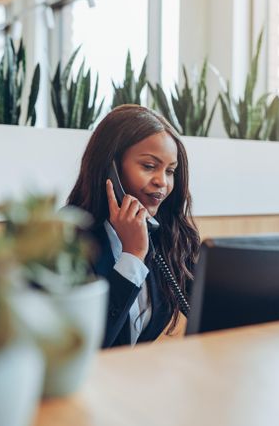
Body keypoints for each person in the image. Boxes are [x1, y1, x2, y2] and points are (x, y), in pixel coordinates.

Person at [67, 105, 200, 348]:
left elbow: (210, 310)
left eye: (170, 171)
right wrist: (133, 254)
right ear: (110, 167)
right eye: (149, 166)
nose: (162, 181)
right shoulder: (68, 237)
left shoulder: (167, 234)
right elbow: (84, 346)